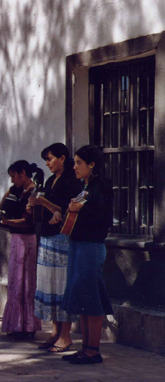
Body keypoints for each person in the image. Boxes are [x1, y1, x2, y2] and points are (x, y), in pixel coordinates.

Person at [59, 145, 113, 365]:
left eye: (79, 163)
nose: (75, 167)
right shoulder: (84, 187)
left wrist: (82, 210)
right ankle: (85, 348)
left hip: (91, 246)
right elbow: (74, 213)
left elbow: (104, 218)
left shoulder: (103, 186)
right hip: (78, 245)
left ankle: (93, 350)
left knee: (92, 297)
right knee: (81, 296)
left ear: (91, 164)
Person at [29, 143, 82, 352]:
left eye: (50, 159)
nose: (48, 163)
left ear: (62, 158)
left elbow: (68, 209)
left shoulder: (71, 181)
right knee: (49, 285)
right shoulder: (50, 180)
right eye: (46, 160)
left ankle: (66, 334)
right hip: (47, 236)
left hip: (62, 237)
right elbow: (45, 205)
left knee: (61, 286)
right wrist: (33, 204)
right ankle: (54, 331)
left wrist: (44, 203)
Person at [0, 160, 44, 339]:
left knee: (26, 282)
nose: (12, 180)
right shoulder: (15, 190)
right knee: (16, 282)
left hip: (27, 239)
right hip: (15, 239)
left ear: (23, 173)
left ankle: (28, 327)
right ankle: (16, 325)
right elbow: (1, 206)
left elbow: (28, 221)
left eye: (14, 176)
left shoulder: (34, 191)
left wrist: (5, 222)